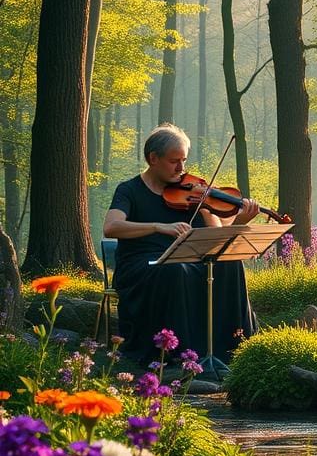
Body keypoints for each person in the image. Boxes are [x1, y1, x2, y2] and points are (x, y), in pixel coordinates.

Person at [103, 124, 260, 364]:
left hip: (187, 258)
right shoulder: (129, 190)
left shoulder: (193, 193)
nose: (181, 169)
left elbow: (217, 237)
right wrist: (157, 226)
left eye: (184, 160)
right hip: (142, 265)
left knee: (230, 264)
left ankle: (234, 347)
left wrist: (239, 220)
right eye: (174, 161)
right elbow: (111, 227)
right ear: (153, 158)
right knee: (174, 269)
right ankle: (179, 355)